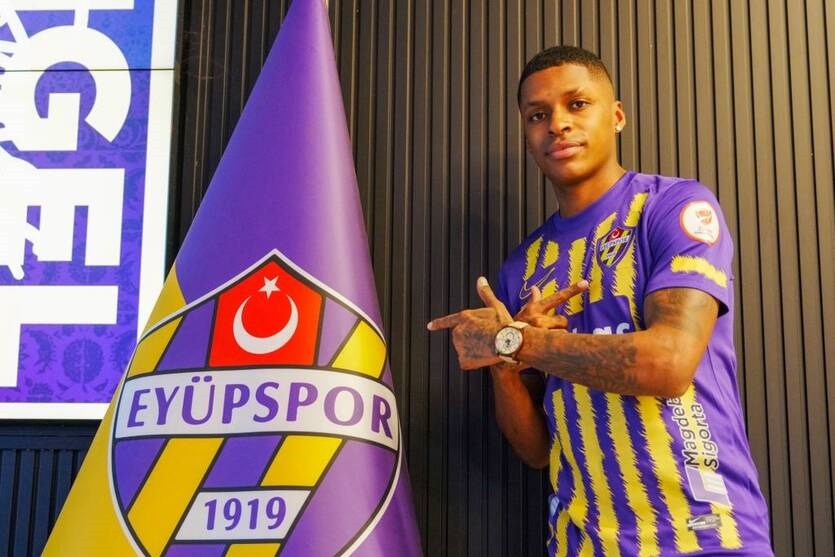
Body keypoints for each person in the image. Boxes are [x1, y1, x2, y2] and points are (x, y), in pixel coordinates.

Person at [427, 46, 773, 556]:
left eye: (577, 104)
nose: (558, 124)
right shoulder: (522, 266)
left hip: (703, 536)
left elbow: (668, 364)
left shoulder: (673, 207)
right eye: (538, 115)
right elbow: (536, 450)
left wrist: (516, 342)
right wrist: (505, 366)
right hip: (581, 543)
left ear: (617, 116)